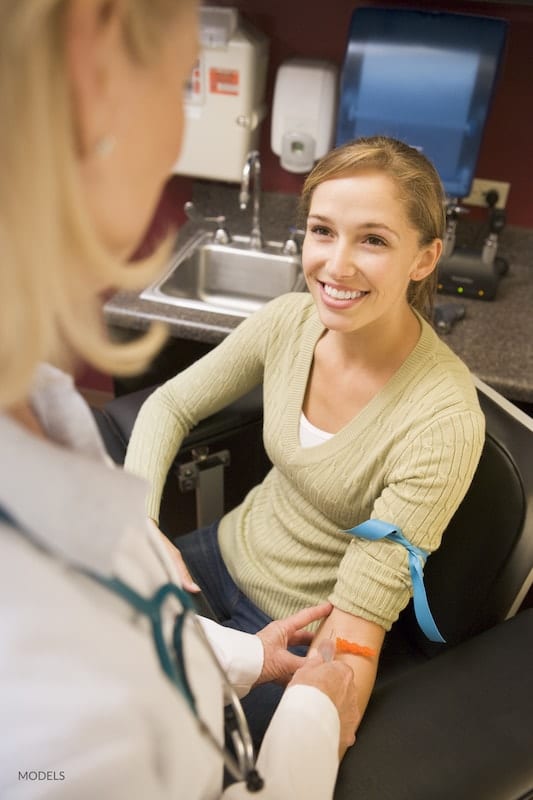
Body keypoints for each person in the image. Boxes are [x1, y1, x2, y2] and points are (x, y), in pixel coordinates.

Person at [0, 1, 360, 798]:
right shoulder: (56, 734)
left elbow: (119, 621)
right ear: (94, 63)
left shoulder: (36, 407)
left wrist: (242, 659)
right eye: (183, 79)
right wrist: (307, 718)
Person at [125, 135, 486, 743]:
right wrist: (137, 522)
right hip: (213, 558)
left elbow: (358, 629)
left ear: (425, 258)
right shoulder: (290, 321)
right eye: (323, 231)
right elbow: (170, 403)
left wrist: (323, 724)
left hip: (296, 625)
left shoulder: (442, 421)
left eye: (373, 239)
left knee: (176, 756)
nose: (336, 265)